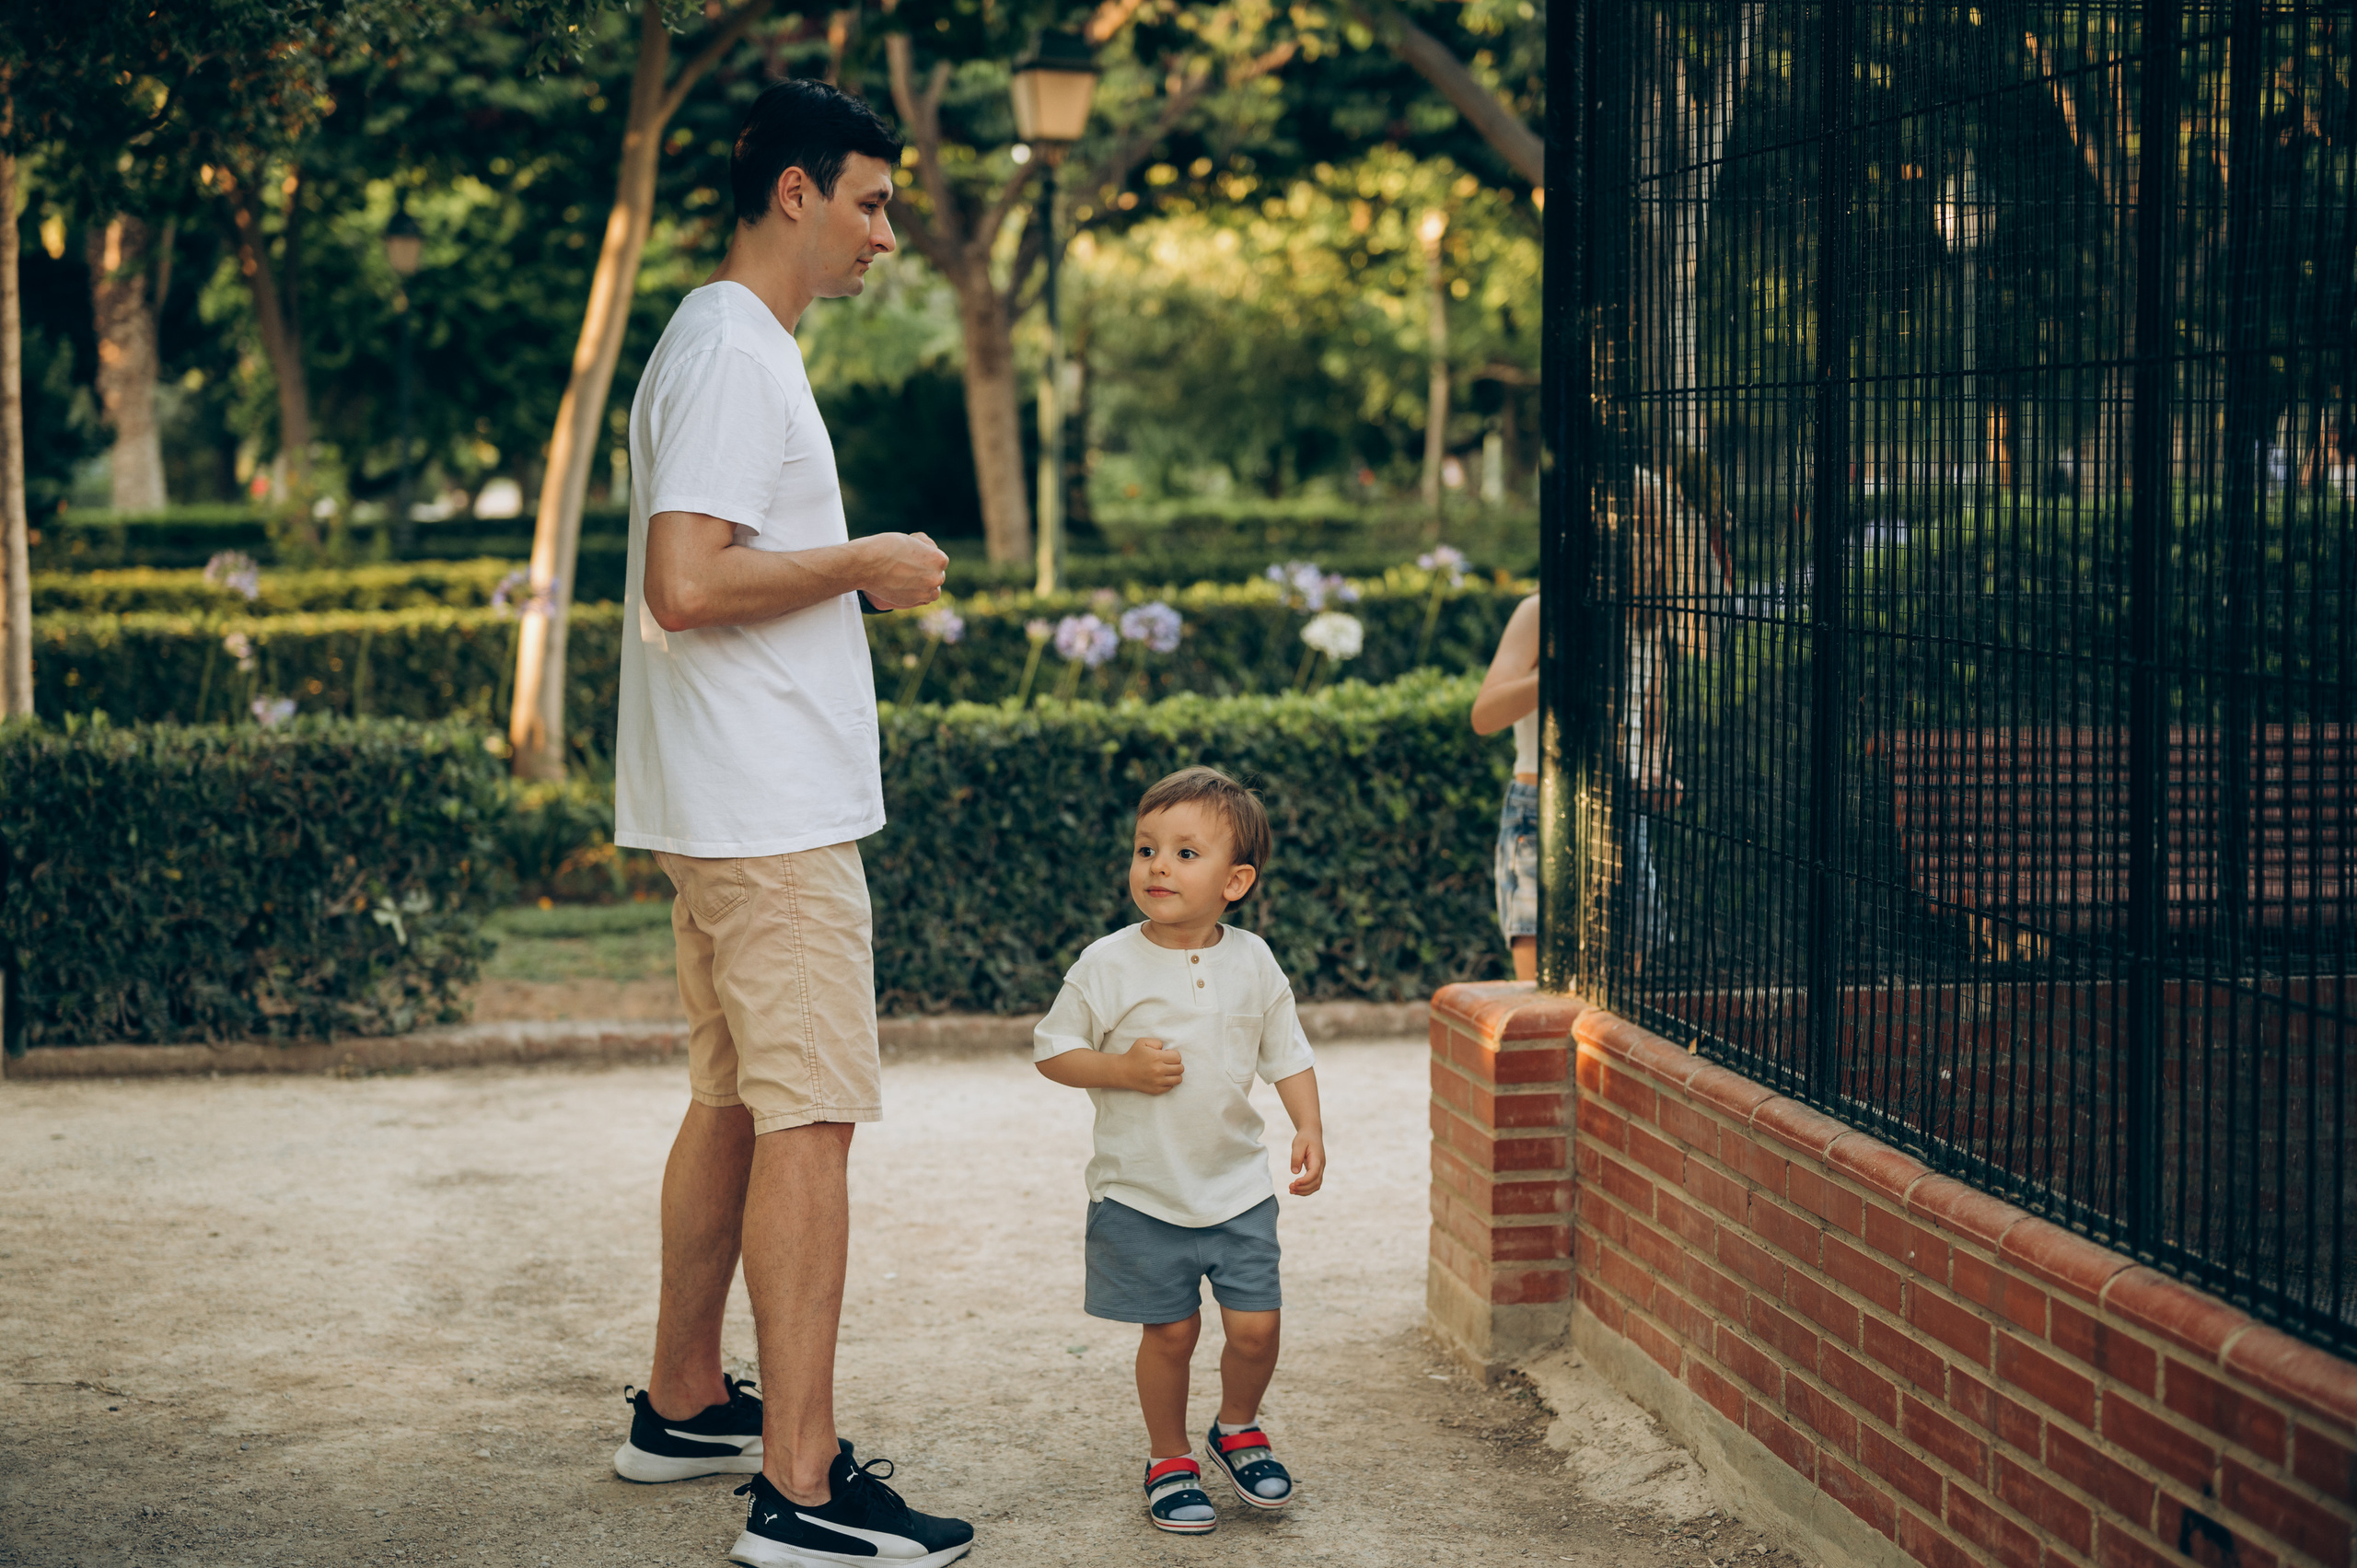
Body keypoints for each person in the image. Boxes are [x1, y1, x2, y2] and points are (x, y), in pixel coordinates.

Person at [606, 78, 973, 1568]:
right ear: (796, 195)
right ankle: (805, 1489)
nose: (892, 233)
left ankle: (685, 1398)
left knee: (743, 1097)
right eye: (875, 201)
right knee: (808, 1117)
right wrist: (866, 559)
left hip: (729, 807)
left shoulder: (721, 342)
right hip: (768, 820)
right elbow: (684, 582)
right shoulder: (736, 352)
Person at [1031, 766, 1328, 1536]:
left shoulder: (1255, 960)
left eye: (1184, 853)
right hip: (1142, 1191)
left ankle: (1236, 1427)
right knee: (1170, 1331)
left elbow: (1287, 1051)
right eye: (1146, 848)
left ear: (1236, 880)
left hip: (1237, 1188)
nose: (1158, 865)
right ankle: (1168, 1456)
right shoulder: (1107, 962)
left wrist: (1309, 1125)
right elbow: (1054, 1050)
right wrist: (1120, 1068)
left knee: (1257, 1326)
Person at [1471, 594, 1542, 981]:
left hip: (1623, 809)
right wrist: (1559, 667)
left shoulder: (1652, 613)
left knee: (1619, 1000)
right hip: (1541, 807)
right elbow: (1484, 715)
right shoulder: (1542, 610)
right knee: (1538, 994)